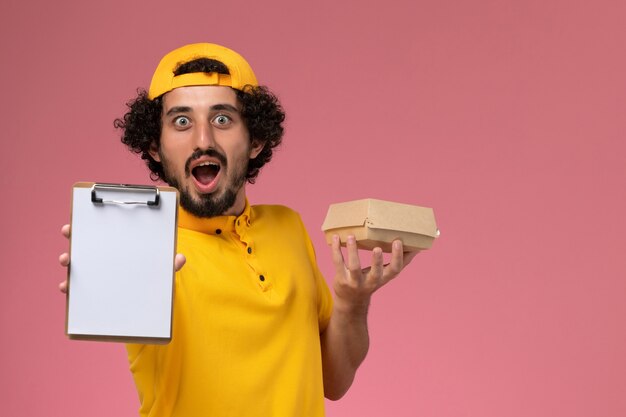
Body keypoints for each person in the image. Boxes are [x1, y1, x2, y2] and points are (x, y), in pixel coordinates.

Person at [59, 43, 417, 417]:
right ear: (154, 145)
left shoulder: (288, 227)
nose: (203, 141)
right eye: (182, 121)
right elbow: (115, 304)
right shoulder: (148, 247)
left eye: (222, 120)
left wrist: (351, 302)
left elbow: (335, 381)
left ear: (255, 141)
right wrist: (105, 281)